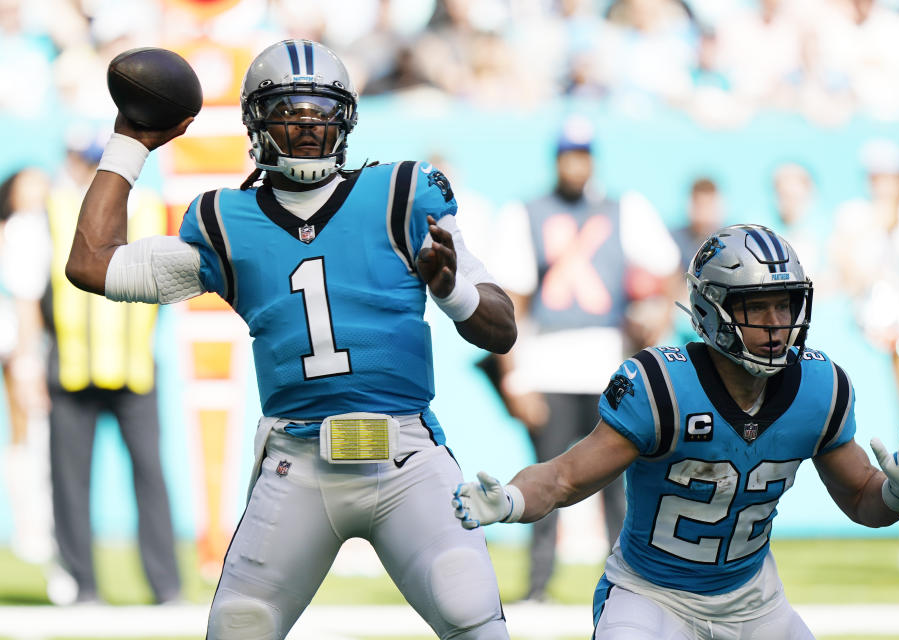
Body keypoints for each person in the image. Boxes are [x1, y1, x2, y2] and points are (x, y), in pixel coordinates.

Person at [65, 39, 517, 639]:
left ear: (347, 119)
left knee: (470, 611)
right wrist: (128, 140)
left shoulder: (402, 193)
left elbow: (502, 328)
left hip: (405, 456)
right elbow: (92, 265)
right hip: (297, 463)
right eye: (289, 113)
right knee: (240, 627)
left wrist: (451, 291)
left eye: (321, 112)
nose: (308, 128)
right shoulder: (224, 222)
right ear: (256, 121)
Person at [453, 223, 899, 639]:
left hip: (754, 601)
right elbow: (564, 478)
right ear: (713, 311)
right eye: (757, 307)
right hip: (651, 597)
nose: (776, 325)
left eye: (785, 305)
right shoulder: (663, 387)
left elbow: (862, 501)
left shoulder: (818, 387)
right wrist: (512, 500)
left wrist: (897, 493)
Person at [489, 115, 680, 602]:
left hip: (607, 363)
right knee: (546, 474)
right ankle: (537, 587)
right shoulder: (526, 211)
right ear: (557, 159)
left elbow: (667, 273)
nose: (575, 164)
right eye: (568, 154)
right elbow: (513, 301)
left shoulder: (624, 208)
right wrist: (514, 377)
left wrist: (652, 326)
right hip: (549, 361)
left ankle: (628, 586)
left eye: (583, 154)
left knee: (619, 481)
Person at [44, 131, 181, 605]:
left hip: (133, 364)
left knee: (150, 476)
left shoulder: (149, 209)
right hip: (72, 365)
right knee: (70, 481)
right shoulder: (51, 209)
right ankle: (83, 586)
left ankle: (167, 587)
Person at [0, 167, 54, 565]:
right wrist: (28, 363)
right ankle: (35, 531)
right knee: (32, 436)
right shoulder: (23, 228)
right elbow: (25, 299)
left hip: (27, 346)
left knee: (30, 437)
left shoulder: (37, 226)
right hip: (24, 347)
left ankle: (35, 530)